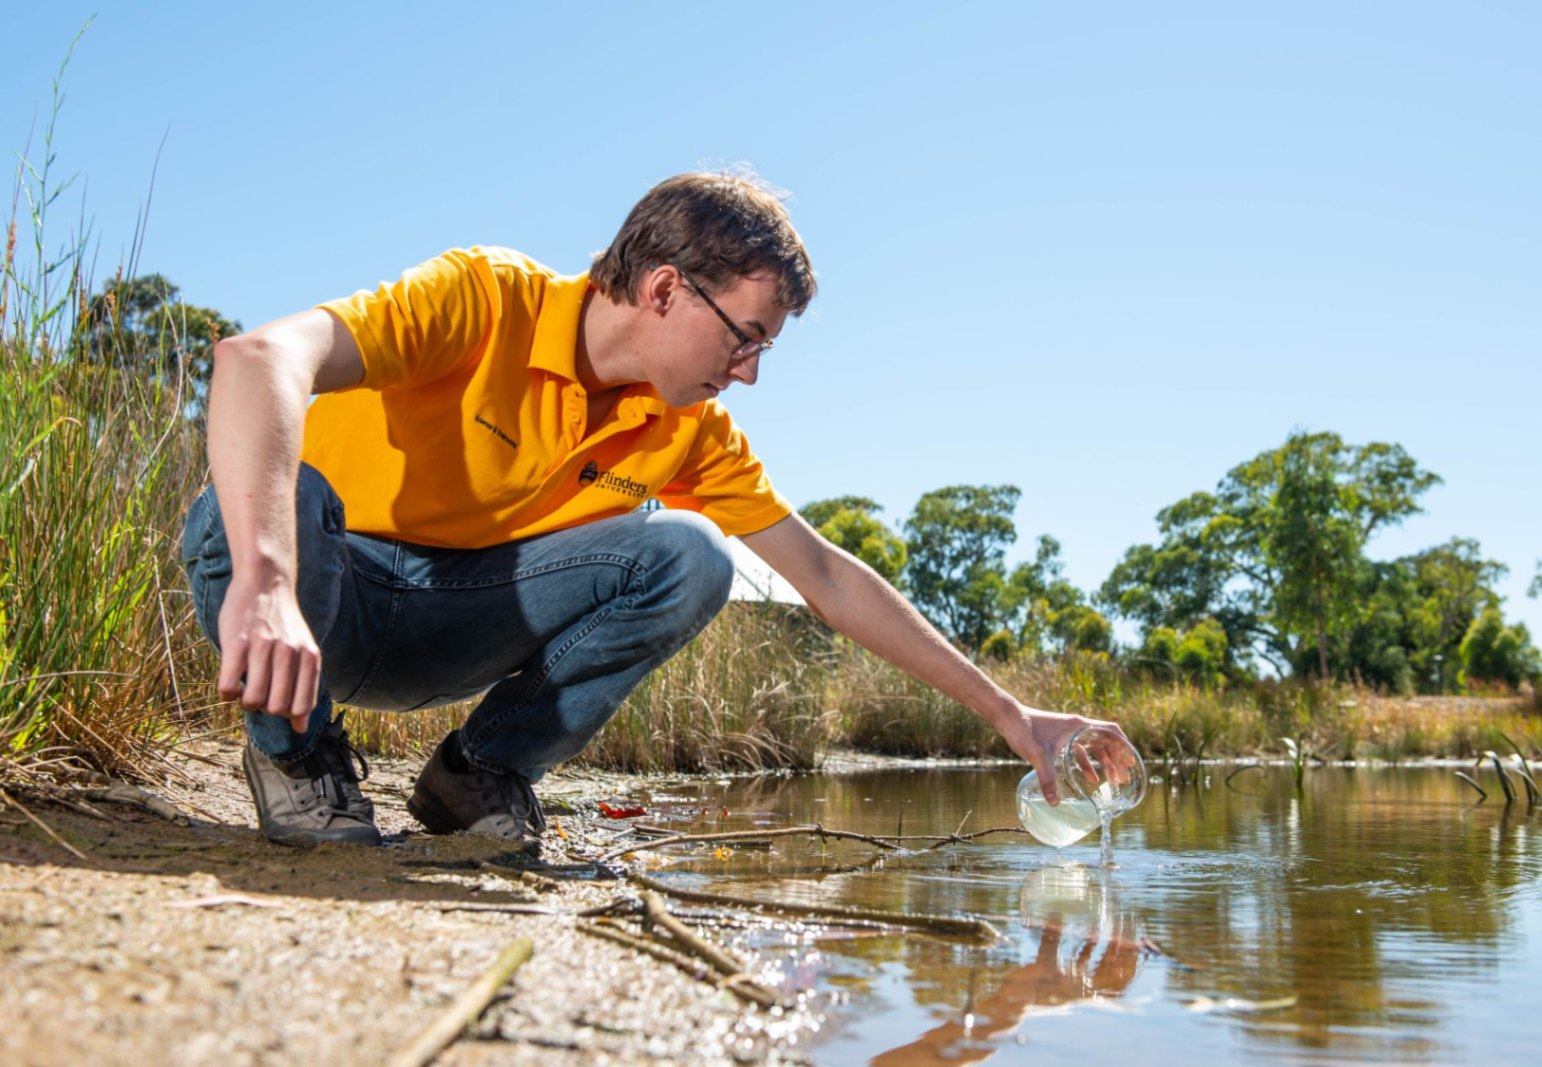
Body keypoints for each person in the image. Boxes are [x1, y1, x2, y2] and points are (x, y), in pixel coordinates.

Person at [182, 171, 1132, 849]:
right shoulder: (487, 297)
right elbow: (258, 360)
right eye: (747, 337)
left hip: (453, 624)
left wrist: (1013, 716)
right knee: (255, 505)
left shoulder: (688, 429)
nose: (750, 370)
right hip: (308, 604)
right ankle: (299, 762)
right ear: (667, 288)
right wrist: (267, 581)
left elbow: (829, 577)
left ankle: (477, 774)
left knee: (692, 554)